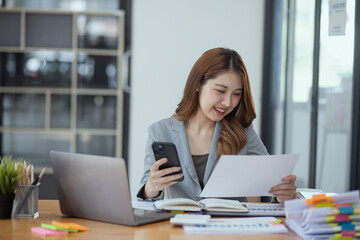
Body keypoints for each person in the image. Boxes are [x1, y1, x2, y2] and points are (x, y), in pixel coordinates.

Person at [137, 47, 297, 203]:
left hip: (229, 227)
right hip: (179, 225)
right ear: (198, 84)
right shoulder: (160, 131)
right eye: (220, 91)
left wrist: (282, 194)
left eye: (236, 94)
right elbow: (145, 193)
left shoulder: (242, 131)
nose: (228, 102)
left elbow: (271, 182)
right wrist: (152, 186)